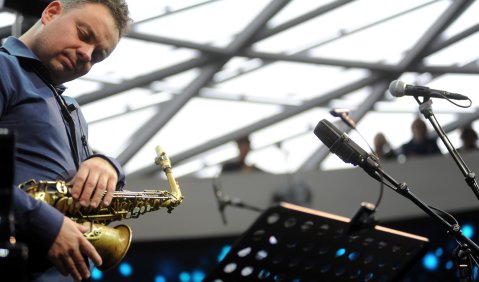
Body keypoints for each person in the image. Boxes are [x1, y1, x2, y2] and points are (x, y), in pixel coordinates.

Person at [0, 1, 130, 281]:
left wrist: (107, 165)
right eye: (84, 34)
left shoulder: (69, 106)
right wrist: (47, 225)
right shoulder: (3, 68)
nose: (86, 54)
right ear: (51, 12)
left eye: (97, 57)